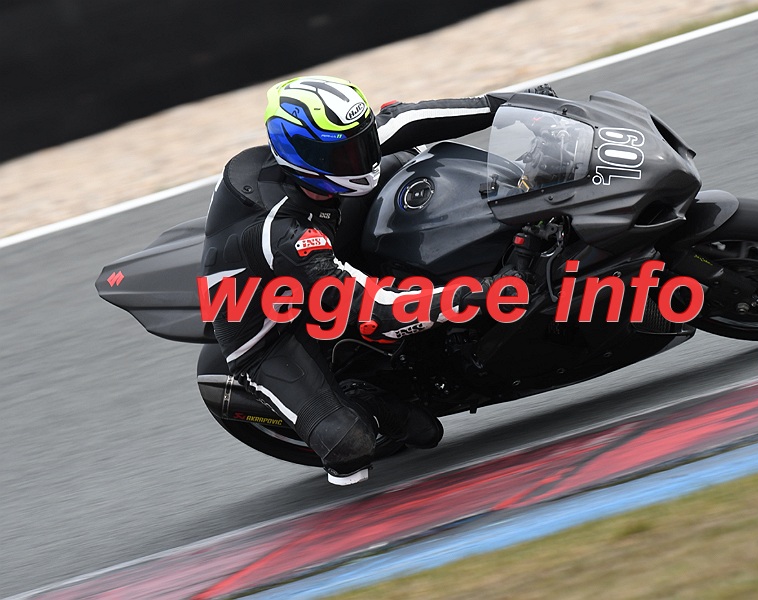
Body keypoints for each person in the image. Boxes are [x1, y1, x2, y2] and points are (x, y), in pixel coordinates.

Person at [200, 75, 554, 485]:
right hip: (268, 326)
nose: (362, 158)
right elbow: (376, 309)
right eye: (347, 153)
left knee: (408, 158)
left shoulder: (328, 156)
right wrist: (485, 293)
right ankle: (361, 397)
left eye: (363, 142)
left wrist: (510, 104)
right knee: (350, 448)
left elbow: (406, 120)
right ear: (304, 155)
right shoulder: (283, 234)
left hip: (316, 241)